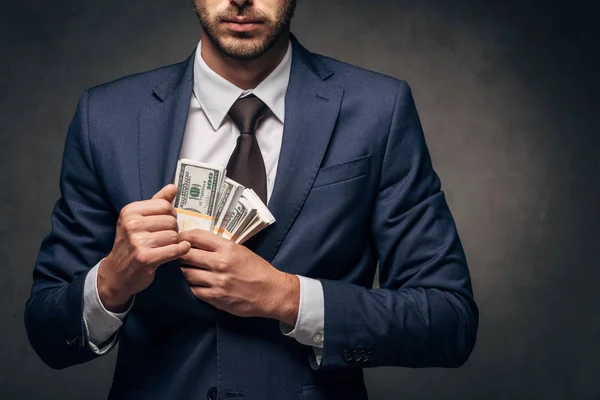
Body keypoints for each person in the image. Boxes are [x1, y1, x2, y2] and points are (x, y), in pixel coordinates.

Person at [25, 0, 478, 399]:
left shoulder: (379, 109)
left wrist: (286, 297)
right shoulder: (105, 116)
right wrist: (111, 282)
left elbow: (448, 321)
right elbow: (47, 332)